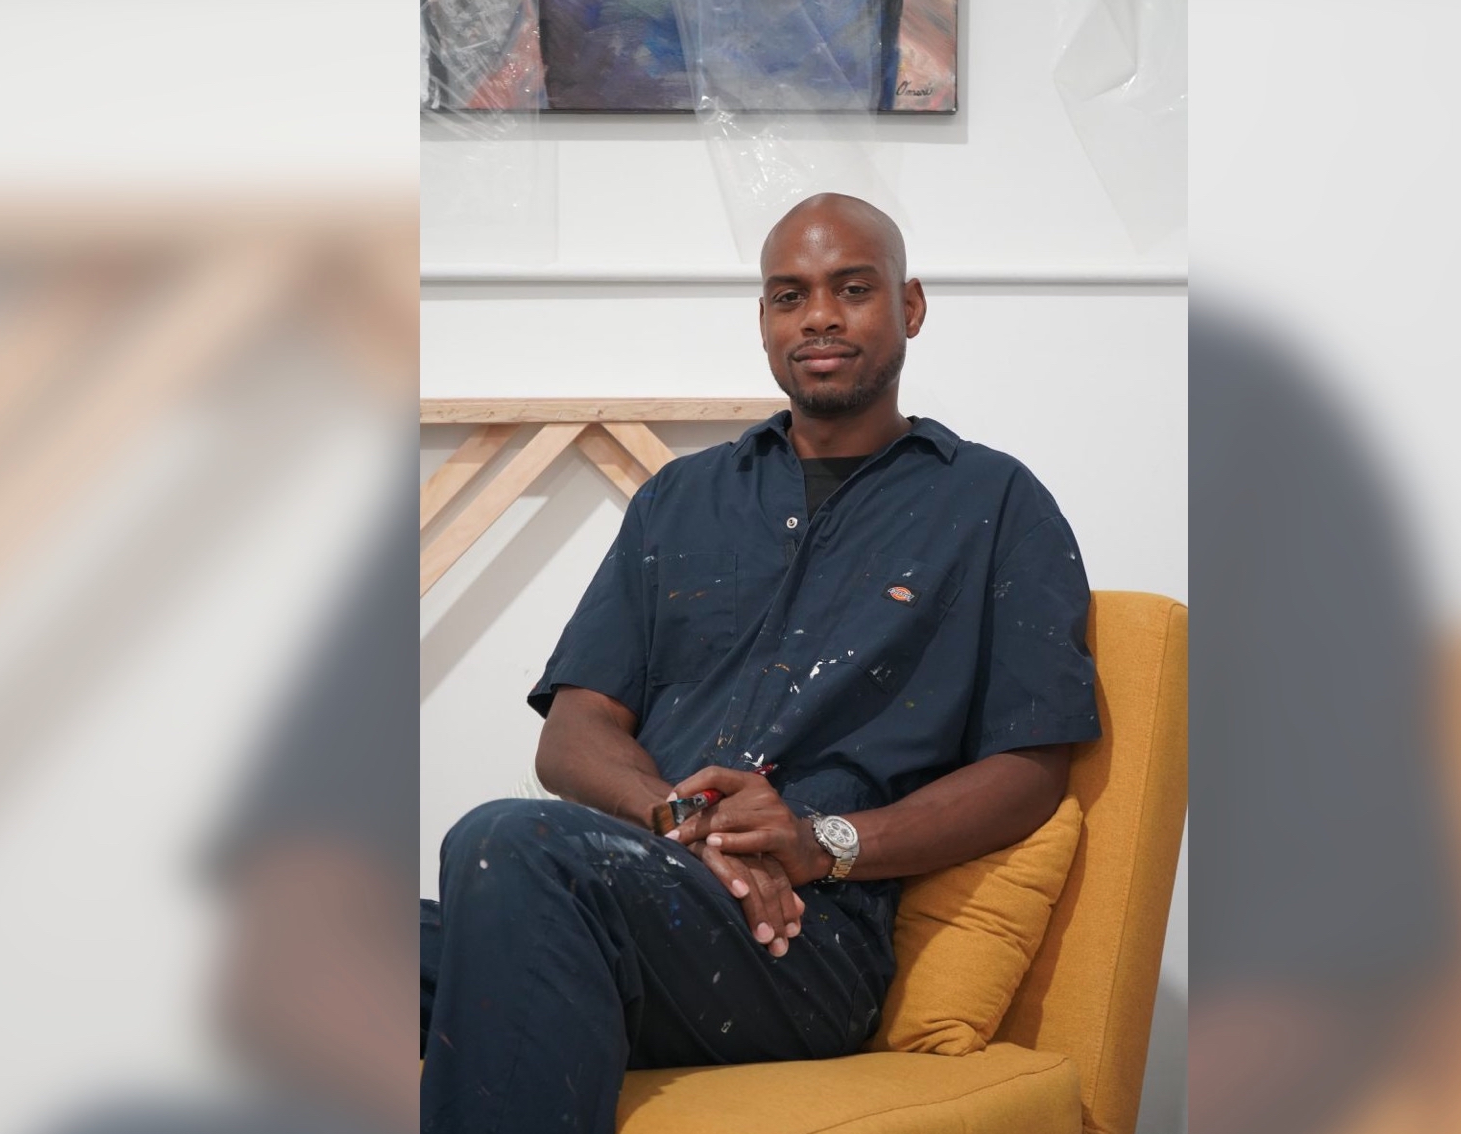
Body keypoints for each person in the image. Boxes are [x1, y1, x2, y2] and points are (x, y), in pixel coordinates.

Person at [419, 193, 1102, 1133]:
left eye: (851, 289)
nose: (818, 314)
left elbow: (1029, 772)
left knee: (506, 845)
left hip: (806, 943)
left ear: (910, 308)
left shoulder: (995, 506)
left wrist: (821, 845)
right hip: (643, 883)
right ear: (764, 322)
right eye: (789, 296)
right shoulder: (680, 499)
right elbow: (575, 733)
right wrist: (686, 820)